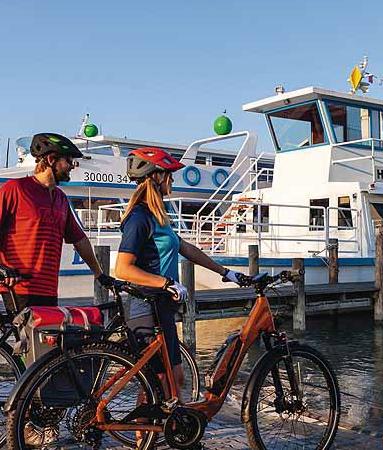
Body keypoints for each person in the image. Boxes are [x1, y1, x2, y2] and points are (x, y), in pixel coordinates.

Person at [115, 147, 246, 397]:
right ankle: (145, 434)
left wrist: (225, 272)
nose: (172, 180)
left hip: (162, 305)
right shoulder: (139, 217)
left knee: (176, 378)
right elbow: (123, 268)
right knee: (158, 381)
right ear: (156, 177)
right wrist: (165, 282)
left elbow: (185, 247)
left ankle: (164, 432)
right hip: (144, 305)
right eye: (169, 175)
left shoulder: (158, 215)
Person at [0, 133, 113, 311]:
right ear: (52, 159)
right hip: (20, 288)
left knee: (51, 337)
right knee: (27, 339)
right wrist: (2, 267)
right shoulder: (15, 189)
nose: (72, 167)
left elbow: (79, 239)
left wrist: (99, 274)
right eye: (68, 161)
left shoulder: (60, 198)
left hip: (49, 289)